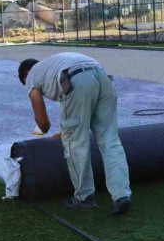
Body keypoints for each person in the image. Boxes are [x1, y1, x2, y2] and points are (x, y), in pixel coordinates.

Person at [19, 53, 132, 215]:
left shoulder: (31, 76)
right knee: (110, 140)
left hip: (75, 79)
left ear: (25, 75)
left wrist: (43, 131)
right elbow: (81, 115)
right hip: (103, 77)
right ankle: (121, 195)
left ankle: (84, 197)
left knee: (75, 144)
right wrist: (66, 130)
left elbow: (43, 123)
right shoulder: (54, 64)